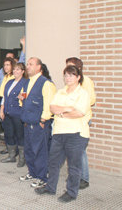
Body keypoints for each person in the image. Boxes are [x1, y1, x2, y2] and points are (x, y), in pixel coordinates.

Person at [35, 65, 90, 203]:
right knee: (53, 162)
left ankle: (71, 192)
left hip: (76, 134)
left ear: (78, 77)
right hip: (59, 133)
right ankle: (50, 187)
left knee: (73, 166)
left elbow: (79, 113)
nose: (68, 78)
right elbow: (52, 107)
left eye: (71, 75)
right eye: (66, 75)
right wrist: (67, 109)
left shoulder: (83, 93)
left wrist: (61, 113)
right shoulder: (60, 92)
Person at [19, 57, 56, 188]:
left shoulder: (46, 83)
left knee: (40, 151)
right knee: (29, 150)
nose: (28, 66)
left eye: (31, 64)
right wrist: (21, 100)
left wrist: (43, 120)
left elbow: (49, 104)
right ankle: (33, 172)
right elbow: (22, 98)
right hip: (27, 123)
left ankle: (42, 177)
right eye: (27, 64)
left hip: (39, 124)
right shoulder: (27, 82)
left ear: (39, 67)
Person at [66, 57, 96, 190]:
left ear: (78, 68)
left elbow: (91, 100)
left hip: (82, 119)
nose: (67, 70)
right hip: (71, 119)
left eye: (70, 66)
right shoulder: (69, 83)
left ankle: (84, 178)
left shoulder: (86, 81)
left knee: (80, 151)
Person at [0, 63, 28, 166]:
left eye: (18, 69)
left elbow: (26, 95)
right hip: (7, 113)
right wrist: (2, 110)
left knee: (20, 135)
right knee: (9, 135)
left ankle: (22, 158)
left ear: (23, 71)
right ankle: (11, 156)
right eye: (14, 69)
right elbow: (4, 97)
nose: (15, 71)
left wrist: (23, 96)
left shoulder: (25, 82)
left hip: (18, 113)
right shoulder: (9, 82)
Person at [0, 57, 16, 153]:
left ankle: (12, 149)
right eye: (4, 65)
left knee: (11, 129)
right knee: (6, 128)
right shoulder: (5, 76)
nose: (5, 67)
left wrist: (3, 107)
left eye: (8, 65)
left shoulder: (13, 77)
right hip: (2, 101)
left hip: (9, 103)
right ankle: (9, 147)